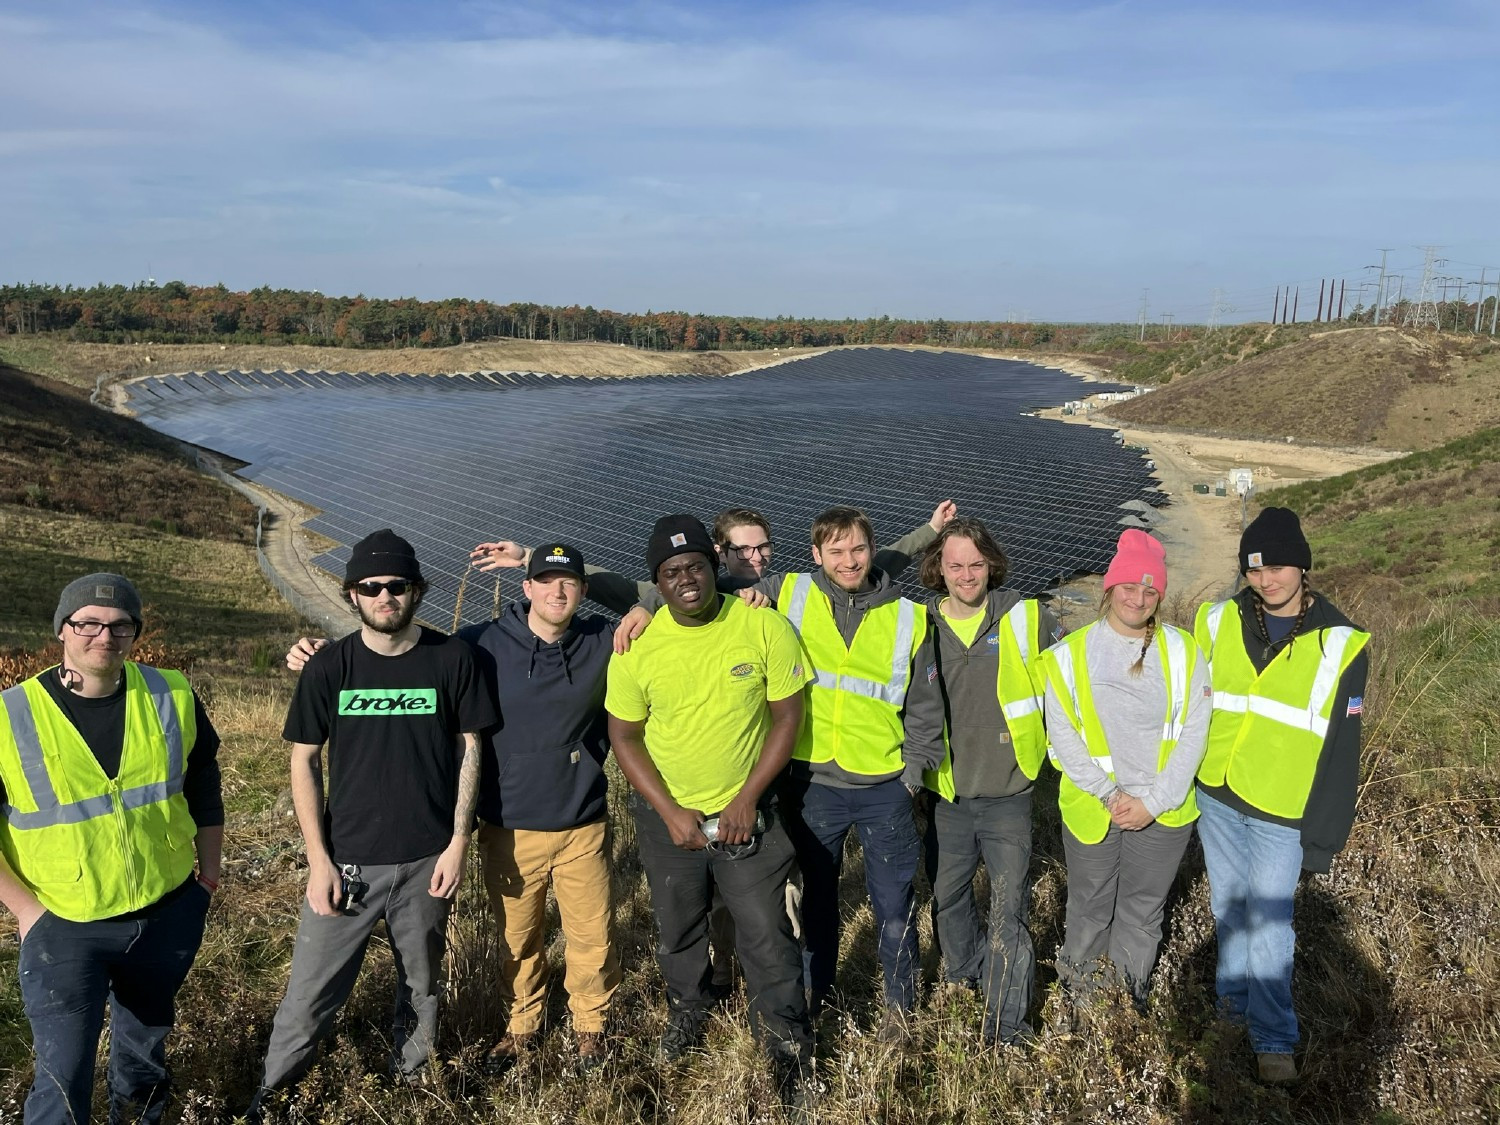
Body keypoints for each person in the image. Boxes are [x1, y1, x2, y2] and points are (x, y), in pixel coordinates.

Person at [290, 539, 641, 1068]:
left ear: (585, 590)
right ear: (526, 590)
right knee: (518, 940)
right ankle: (523, 1025)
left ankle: (591, 1025)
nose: (558, 591)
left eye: (569, 582)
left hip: (581, 823)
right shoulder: (478, 644)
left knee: (593, 936)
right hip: (507, 824)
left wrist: (635, 606)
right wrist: (320, 652)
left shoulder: (604, 640)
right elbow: (401, 647)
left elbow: (665, 597)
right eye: (545, 580)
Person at [254, 530, 496, 1107]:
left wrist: (459, 840)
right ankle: (274, 1096)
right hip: (348, 863)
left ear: (417, 592)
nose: (386, 596)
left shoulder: (454, 658)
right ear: (352, 594)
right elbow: (304, 760)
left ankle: (410, 1086)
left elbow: (471, 749)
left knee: (423, 985)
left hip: (427, 860)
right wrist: (319, 861)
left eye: (398, 586)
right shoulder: (329, 667)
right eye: (372, 587)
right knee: (310, 993)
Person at [0, 572, 222, 1125]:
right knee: (62, 1074)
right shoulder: (9, 714)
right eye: (88, 624)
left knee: (145, 1053)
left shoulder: (171, 693)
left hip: (166, 909)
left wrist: (209, 875)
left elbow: (202, 784)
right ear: (63, 630)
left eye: (121, 625)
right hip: (64, 924)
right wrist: (27, 911)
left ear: (135, 633)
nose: (105, 635)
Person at [604, 514, 813, 1099]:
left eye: (696, 565)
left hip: (749, 814)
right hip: (668, 820)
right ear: (657, 582)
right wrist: (670, 812)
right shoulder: (637, 644)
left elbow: (787, 716)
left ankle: (786, 1042)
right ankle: (689, 1011)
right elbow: (625, 736)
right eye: (671, 572)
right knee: (679, 929)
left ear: (714, 565)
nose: (686, 579)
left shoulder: (760, 626)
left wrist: (747, 797)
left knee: (766, 936)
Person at [1192, 507, 1369, 1085]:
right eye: (1254, 569)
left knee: (1269, 925)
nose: (1266, 580)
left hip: (1281, 812)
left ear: (1303, 566)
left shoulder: (1342, 646)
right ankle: (1230, 1012)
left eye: (1278, 567)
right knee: (1228, 912)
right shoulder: (1215, 621)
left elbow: (1343, 752)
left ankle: (1273, 1039)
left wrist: (1322, 839)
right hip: (1217, 796)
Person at [904, 518, 1062, 1046]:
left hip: (1009, 795)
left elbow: (1075, 678)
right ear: (938, 568)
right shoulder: (918, 624)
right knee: (948, 900)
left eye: (975, 564)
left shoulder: (1025, 617)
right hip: (946, 794)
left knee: (1009, 908)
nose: (966, 575)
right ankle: (963, 976)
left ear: (990, 565)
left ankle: (1007, 1024)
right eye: (955, 565)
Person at [1040, 529, 1210, 1008]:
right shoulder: (1070, 654)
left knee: (1141, 913)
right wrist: (1113, 797)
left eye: (1150, 589)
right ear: (1108, 589)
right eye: (1129, 586)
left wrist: (1153, 802)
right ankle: (1081, 1007)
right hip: (1095, 808)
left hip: (1164, 812)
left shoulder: (1184, 651)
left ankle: (1123, 1008)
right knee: (1089, 910)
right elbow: (1065, 739)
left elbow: (1195, 731)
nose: (1139, 597)